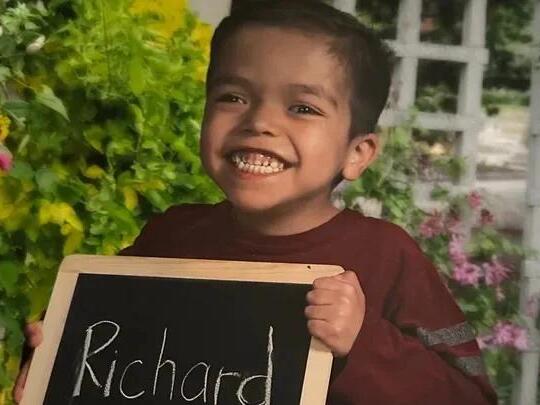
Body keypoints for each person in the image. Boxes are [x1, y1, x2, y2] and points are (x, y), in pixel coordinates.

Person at [14, 1, 497, 403]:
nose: (259, 122)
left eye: (302, 107)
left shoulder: (387, 256)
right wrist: (54, 359)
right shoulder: (170, 237)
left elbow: (471, 397)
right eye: (233, 97)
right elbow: (108, 359)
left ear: (357, 153)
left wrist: (363, 342)